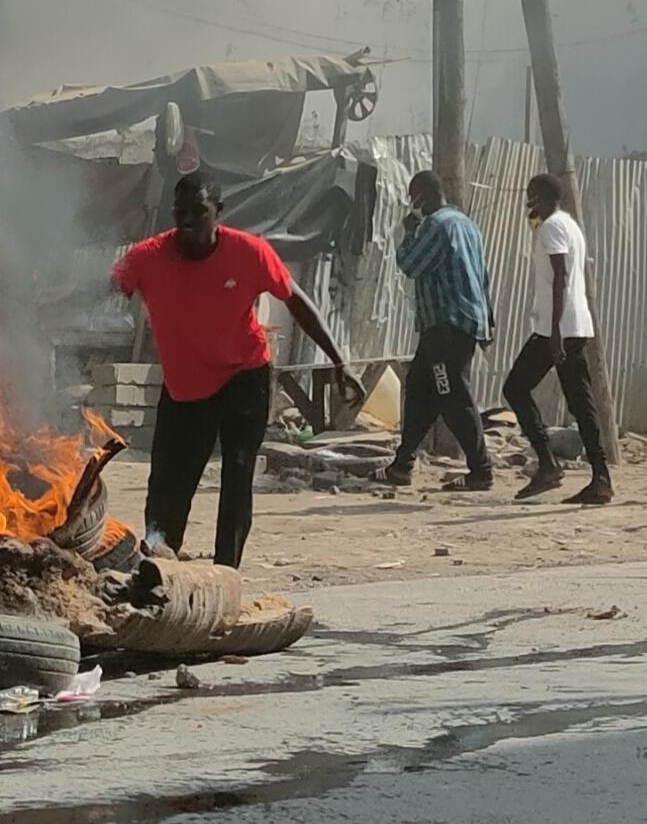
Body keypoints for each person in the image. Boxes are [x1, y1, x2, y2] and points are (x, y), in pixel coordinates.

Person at [112, 173, 361, 570]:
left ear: (219, 213)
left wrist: (339, 361)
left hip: (243, 379)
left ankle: (227, 570)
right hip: (184, 389)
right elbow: (109, 286)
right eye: (181, 214)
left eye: (199, 214)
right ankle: (159, 561)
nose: (188, 224)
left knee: (237, 473)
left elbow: (296, 301)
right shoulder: (147, 257)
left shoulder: (249, 253)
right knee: (167, 481)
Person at [503, 173, 612, 506]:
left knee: (515, 388)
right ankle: (599, 477)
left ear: (542, 197)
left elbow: (560, 276)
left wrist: (553, 334)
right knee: (580, 402)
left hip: (558, 329)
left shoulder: (552, 228)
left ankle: (550, 465)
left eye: (531, 196)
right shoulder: (567, 224)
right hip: (571, 326)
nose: (528, 203)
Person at [381, 171, 495, 491]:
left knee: (452, 394)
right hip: (457, 323)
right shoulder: (467, 224)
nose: (411, 204)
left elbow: (411, 265)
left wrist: (408, 231)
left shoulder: (435, 225)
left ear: (424, 195)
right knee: (420, 390)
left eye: (412, 197)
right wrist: (488, 319)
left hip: (447, 323)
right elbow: (482, 276)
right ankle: (402, 464)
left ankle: (481, 469)